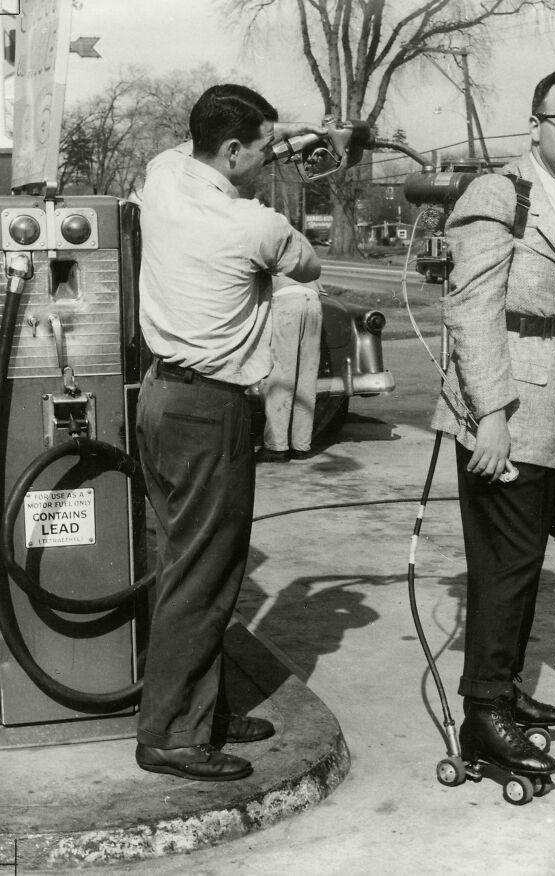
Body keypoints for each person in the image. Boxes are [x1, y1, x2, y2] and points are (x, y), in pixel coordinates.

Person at [134, 84, 324, 781]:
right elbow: (307, 264)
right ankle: (172, 736)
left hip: (158, 398)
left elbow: (199, 148)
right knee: (205, 576)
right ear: (235, 150)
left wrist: (282, 137)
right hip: (210, 410)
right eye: (265, 146)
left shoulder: (163, 174)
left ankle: (200, 710)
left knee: (182, 563)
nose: (274, 155)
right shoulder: (256, 225)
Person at [432, 70, 555, 777]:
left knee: (525, 561)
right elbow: (473, 309)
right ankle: (484, 717)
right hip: (504, 409)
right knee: (503, 568)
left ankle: (502, 691)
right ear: (535, 124)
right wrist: (492, 417)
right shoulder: (498, 194)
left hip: (549, 405)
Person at [256, 275, 323, 463]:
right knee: (306, 377)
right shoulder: (303, 246)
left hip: (286, 301)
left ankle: (277, 447)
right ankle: (301, 445)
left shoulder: (273, 245)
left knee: (280, 376)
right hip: (313, 300)